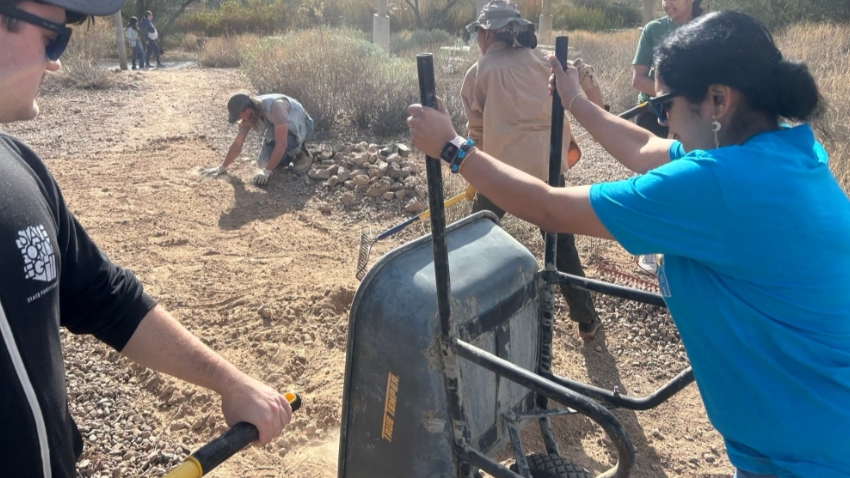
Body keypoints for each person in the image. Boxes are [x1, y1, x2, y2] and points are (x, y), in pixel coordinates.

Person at [408, 11, 850, 478]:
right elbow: (643, 149)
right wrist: (575, 100)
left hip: (805, 457)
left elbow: (549, 208)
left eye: (665, 108)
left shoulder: (718, 185)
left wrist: (453, 147)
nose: (663, 123)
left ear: (717, 100)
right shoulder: (784, 153)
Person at [0, 1, 293, 476]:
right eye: (53, 36)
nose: (56, 61)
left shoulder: (22, 168)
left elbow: (104, 296)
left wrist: (229, 382)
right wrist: (225, 167)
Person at [462, 0, 604, 339]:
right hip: (547, 169)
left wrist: (475, 171)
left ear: (489, 34)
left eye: (480, 34)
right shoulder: (547, 62)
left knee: (476, 234)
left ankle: (470, 306)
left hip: (501, 175)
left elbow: (476, 131)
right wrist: (602, 110)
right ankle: (586, 320)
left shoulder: (478, 72)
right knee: (561, 243)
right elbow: (583, 72)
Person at [202, 93, 315, 187]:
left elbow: (281, 143)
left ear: (248, 111)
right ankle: (289, 155)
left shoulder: (275, 108)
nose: (239, 119)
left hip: (303, 125)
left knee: (275, 138)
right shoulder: (251, 113)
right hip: (280, 127)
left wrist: (267, 171)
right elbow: (238, 143)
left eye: (239, 116)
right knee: (262, 163)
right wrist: (222, 167)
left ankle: (302, 153)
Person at [631, 0, 703, 137]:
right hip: (650, 115)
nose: (666, 4)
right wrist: (675, 96)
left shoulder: (709, 30)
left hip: (694, 119)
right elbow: (638, 80)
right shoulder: (653, 29)